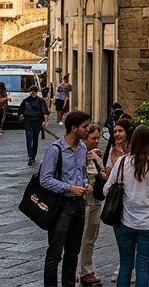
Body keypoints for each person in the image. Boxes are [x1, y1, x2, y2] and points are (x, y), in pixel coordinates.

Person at [107, 125, 149, 287]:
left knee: (125, 265)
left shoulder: (121, 162)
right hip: (148, 223)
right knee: (143, 267)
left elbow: (107, 189)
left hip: (124, 221)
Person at [40, 111, 94, 287]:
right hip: (61, 206)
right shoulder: (55, 150)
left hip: (79, 205)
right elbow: (45, 179)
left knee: (73, 253)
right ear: (73, 128)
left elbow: (82, 173)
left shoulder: (83, 148)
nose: (88, 130)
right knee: (55, 254)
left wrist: (85, 184)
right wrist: (69, 188)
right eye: (85, 127)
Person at [77, 123, 107, 286]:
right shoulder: (77, 154)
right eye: (93, 138)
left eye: (98, 138)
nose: (96, 141)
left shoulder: (95, 156)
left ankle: (86, 271)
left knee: (90, 237)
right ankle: (77, 271)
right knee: (79, 237)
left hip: (95, 202)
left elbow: (102, 174)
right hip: (83, 203)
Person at [22, 85, 52, 166]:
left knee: (35, 140)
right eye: (32, 92)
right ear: (30, 92)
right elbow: (21, 111)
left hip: (37, 122)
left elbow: (45, 112)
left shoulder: (41, 101)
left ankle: (33, 157)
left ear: (36, 92)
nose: (33, 93)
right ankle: (30, 158)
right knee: (29, 140)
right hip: (28, 122)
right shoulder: (25, 101)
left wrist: (46, 122)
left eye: (35, 92)